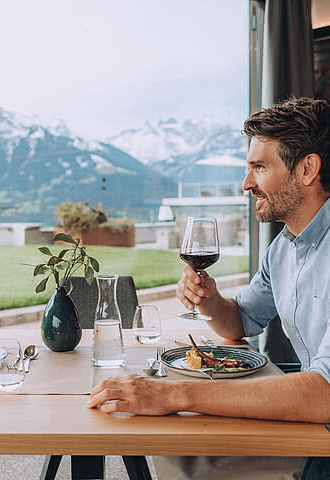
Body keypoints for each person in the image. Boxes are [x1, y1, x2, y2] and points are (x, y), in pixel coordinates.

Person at [87, 97, 330, 480]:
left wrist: (170, 396)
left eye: (259, 167)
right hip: (313, 417)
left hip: (322, 432)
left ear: (307, 169)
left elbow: (323, 394)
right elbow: (241, 321)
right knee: (182, 445)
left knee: (187, 444)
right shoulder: (284, 247)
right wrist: (211, 301)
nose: (246, 183)